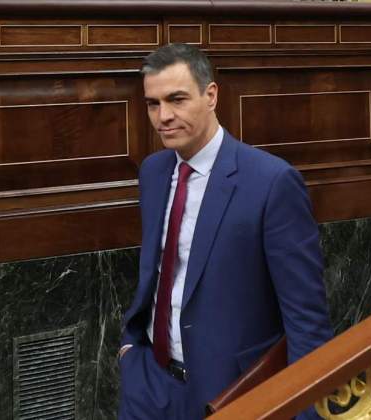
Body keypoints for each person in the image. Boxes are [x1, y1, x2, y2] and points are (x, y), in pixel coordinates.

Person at [118, 43, 333, 420]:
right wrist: (130, 352)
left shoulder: (271, 182)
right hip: (149, 385)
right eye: (153, 104)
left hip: (231, 394)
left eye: (177, 99)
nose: (163, 116)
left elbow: (306, 317)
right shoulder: (153, 172)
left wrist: (305, 412)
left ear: (211, 95)